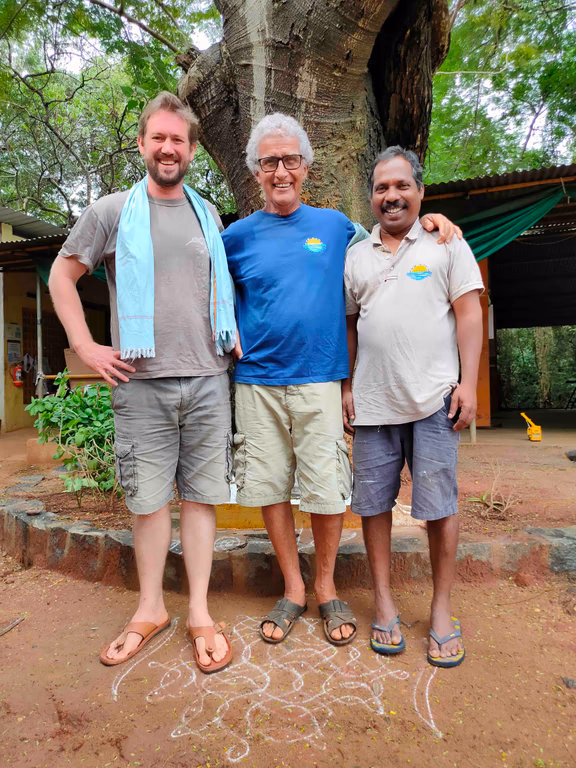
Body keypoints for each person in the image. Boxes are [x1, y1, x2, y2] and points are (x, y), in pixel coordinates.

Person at [222, 115, 461, 646]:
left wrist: (432, 220)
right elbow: (214, 293)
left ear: (306, 167)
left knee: (327, 488)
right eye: (269, 162)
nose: (280, 171)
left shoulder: (336, 228)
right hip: (256, 381)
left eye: (290, 160)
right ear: (255, 172)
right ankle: (293, 589)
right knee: (270, 486)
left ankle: (326, 587)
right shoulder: (234, 238)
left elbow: (390, 237)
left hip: (323, 380)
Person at [48, 92, 236, 674]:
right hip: (141, 383)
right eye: (158, 138)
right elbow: (61, 275)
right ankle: (150, 608)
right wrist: (85, 346)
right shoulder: (111, 212)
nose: (168, 148)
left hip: (208, 379)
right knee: (149, 503)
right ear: (141, 145)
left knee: (201, 500)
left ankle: (199, 612)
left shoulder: (210, 215)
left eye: (178, 139)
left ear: (192, 149)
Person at [342, 146, 483, 667]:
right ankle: (384, 602)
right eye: (381, 188)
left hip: (434, 400)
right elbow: (351, 326)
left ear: (420, 192)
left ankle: (441, 609)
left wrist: (469, 384)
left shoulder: (445, 242)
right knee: (373, 505)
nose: (392, 196)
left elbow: (469, 314)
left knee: (439, 506)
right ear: (371, 197)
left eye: (402, 186)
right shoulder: (356, 256)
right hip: (373, 404)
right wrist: (346, 387)